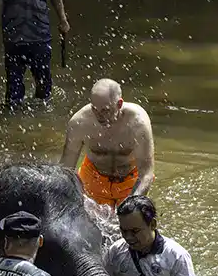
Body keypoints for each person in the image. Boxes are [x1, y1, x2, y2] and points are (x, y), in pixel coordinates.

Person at [59, 78, 155, 209]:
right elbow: (65, 170)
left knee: (130, 222)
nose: (99, 116)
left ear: (119, 104)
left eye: (105, 110)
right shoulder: (79, 122)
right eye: (94, 109)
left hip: (129, 180)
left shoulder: (137, 123)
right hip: (94, 178)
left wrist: (131, 206)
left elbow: (146, 174)